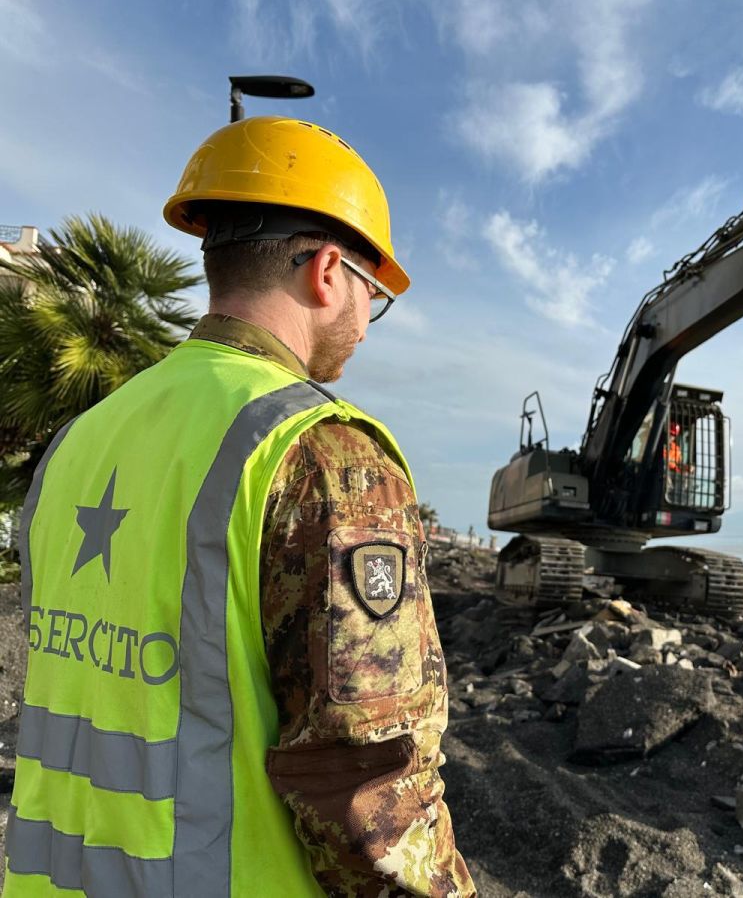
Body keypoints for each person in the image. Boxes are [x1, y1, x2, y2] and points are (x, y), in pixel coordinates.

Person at [5, 116, 476, 897]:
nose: (367, 324)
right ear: (328, 271)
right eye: (374, 294)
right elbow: (369, 789)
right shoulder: (320, 451)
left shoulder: (78, 442)